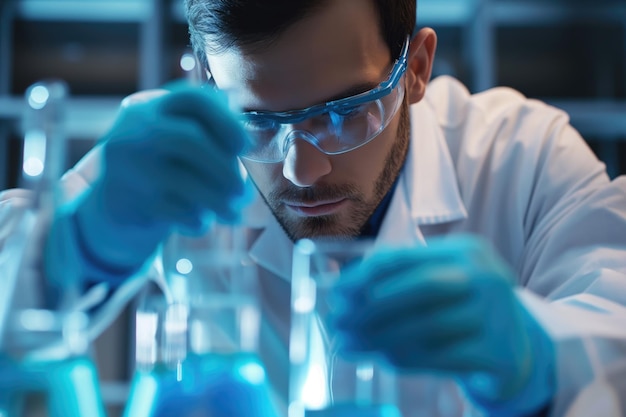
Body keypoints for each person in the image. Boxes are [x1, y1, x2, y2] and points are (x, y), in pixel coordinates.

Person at [1, 0, 626, 415]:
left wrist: (537, 357)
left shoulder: (521, 154)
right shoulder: (172, 158)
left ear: (416, 69)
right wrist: (81, 241)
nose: (303, 170)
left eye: (347, 111)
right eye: (259, 121)